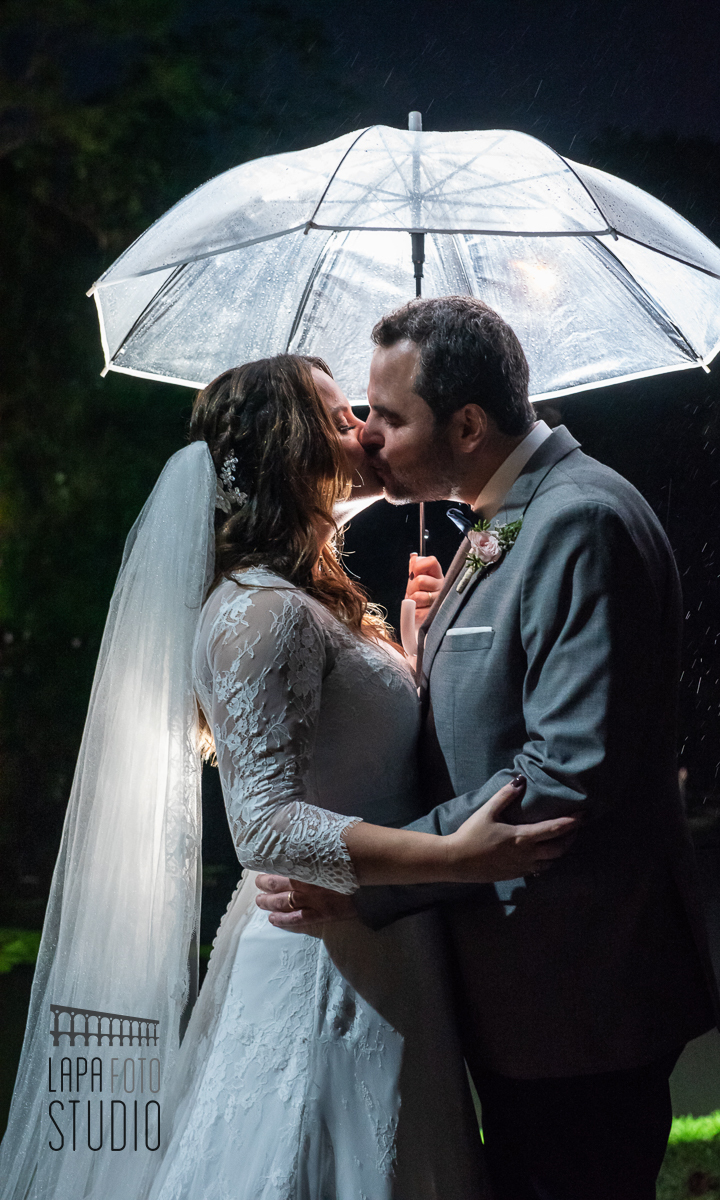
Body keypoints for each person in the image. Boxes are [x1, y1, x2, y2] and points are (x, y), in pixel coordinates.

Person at [0, 352, 577, 1200]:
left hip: (385, 943)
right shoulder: (260, 609)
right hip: (318, 957)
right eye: (342, 418)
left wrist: (417, 646)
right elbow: (266, 827)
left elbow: (359, 746)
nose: (367, 431)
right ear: (290, 449)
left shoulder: (309, 597)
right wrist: (456, 857)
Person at [256, 299, 720, 1200]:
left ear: (467, 425)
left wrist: (375, 874)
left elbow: (564, 773)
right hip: (523, 984)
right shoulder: (503, 514)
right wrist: (425, 647)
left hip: (577, 985)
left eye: (389, 417)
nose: (368, 437)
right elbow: (494, 707)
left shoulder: (578, 519)